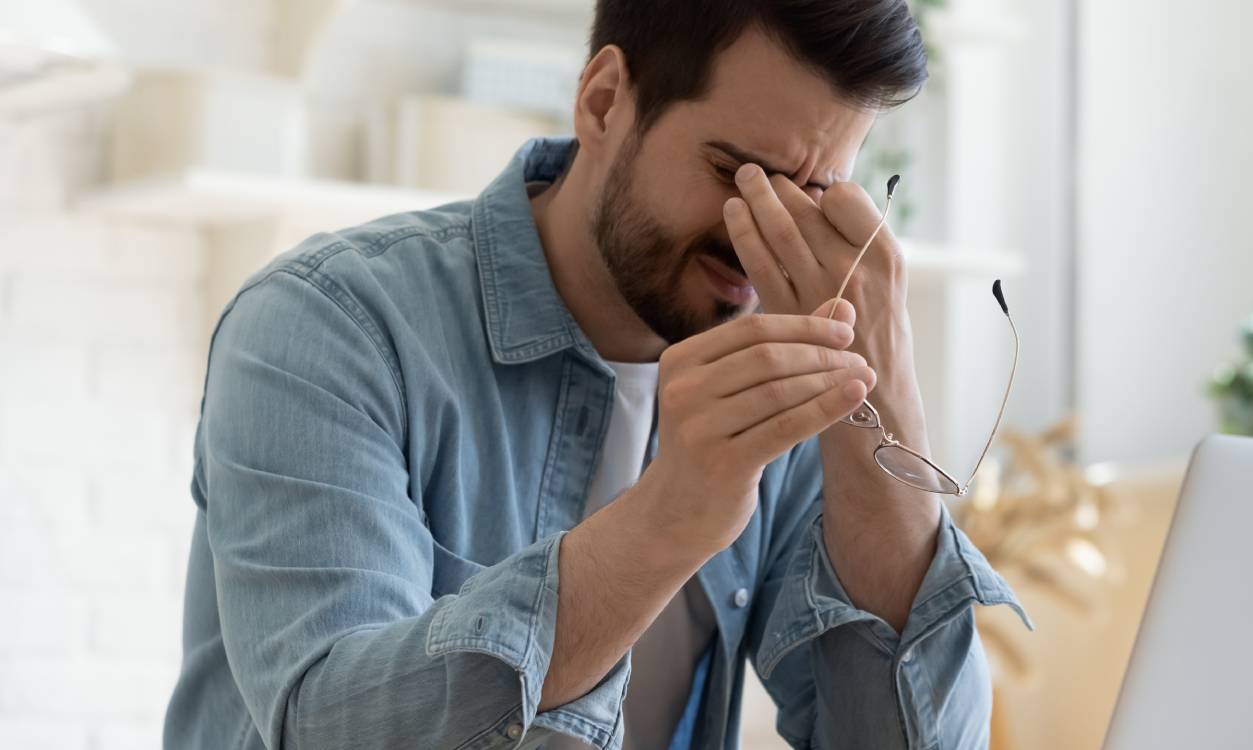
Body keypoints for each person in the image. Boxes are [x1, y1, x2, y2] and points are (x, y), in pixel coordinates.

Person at [164, 1, 1024, 747]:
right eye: (738, 173)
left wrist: (888, 399)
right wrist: (670, 519)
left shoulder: (789, 378)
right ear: (604, 100)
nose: (764, 235)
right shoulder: (329, 327)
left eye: (816, 194)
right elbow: (333, 732)